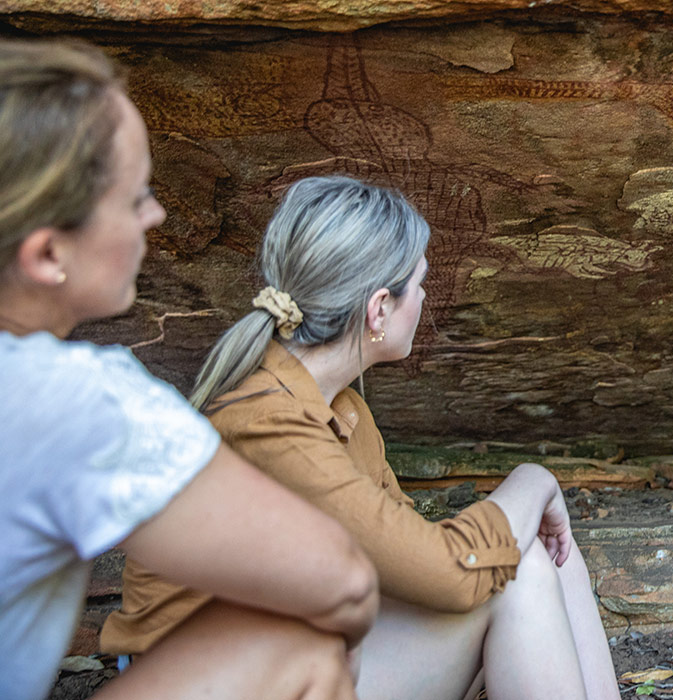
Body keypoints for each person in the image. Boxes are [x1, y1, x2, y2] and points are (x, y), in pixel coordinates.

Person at [104, 175, 623, 700]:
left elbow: (403, 563)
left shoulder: (342, 409)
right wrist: (533, 481)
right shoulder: (265, 422)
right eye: (419, 283)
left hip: (293, 658)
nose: (425, 297)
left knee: (531, 553)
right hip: (206, 683)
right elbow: (450, 573)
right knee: (517, 568)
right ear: (378, 309)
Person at [0, 39, 380, 700]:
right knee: (299, 645)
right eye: (136, 196)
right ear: (47, 253)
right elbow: (343, 581)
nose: (158, 215)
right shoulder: (67, 398)